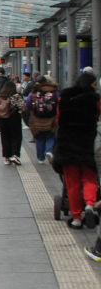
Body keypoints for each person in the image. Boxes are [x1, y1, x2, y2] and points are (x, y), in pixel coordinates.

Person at [54, 71, 99, 230]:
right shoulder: (95, 99)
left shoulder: (65, 96)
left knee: (72, 184)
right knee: (89, 178)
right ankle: (90, 205)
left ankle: (77, 219)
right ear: (90, 85)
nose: (97, 87)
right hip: (86, 144)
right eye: (96, 85)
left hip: (67, 144)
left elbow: (58, 118)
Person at [25, 76, 60, 164]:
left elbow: (28, 105)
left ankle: (40, 158)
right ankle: (49, 151)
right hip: (51, 118)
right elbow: (59, 103)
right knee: (51, 136)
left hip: (37, 118)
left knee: (39, 138)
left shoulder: (34, 92)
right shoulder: (54, 91)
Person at [0, 81, 24, 164]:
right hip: (14, 117)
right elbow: (23, 107)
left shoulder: (0, 96)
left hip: (2, 118)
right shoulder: (16, 96)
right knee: (16, 136)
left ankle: (6, 158)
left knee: (5, 137)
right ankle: (15, 156)